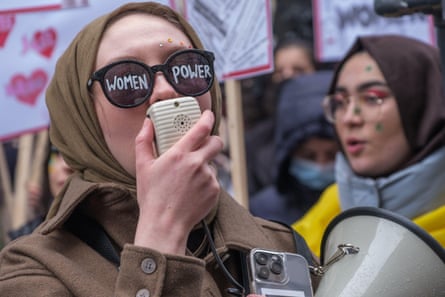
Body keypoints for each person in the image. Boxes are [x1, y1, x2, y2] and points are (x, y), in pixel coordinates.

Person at [0, 2, 319, 296]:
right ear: (82, 117)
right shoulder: (31, 270)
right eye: (127, 79)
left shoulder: (283, 247)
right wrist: (161, 241)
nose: (165, 91)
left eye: (185, 67)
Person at [292, 34, 445, 257]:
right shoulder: (333, 203)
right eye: (340, 102)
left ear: (422, 106)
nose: (349, 118)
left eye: (372, 98)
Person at [249, 71, 338, 225]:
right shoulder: (261, 212)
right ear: (288, 155)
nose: (321, 166)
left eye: (331, 155)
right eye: (309, 156)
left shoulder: (360, 206)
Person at [245, 38, 317, 197]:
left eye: (298, 69)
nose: (288, 76)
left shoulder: (336, 130)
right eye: (279, 71)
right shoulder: (256, 140)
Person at [7, 144, 73, 240]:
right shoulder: (25, 238)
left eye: (74, 157)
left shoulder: (99, 229)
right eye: (56, 155)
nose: (65, 165)